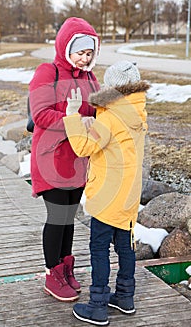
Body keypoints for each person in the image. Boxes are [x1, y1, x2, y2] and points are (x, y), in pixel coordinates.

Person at [63, 60, 150, 325]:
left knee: (99, 248)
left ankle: (98, 305)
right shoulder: (137, 113)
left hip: (108, 196)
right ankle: (125, 296)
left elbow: (83, 146)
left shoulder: (111, 116)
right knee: (125, 246)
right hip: (128, 197)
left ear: (112, 88)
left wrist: (72, 115)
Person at [29, 17, 100, 302]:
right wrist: (75, 121)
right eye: (80, 52)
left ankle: (66, 268)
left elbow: (98, 113)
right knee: (57, 218)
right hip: (52, 159)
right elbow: (41, 114)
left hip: (78, 161)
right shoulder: (48, 72)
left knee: (69, 218)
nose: (85, 58)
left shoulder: (90, 79)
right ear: (65, 47)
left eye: (89, 53)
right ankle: (52, 273)